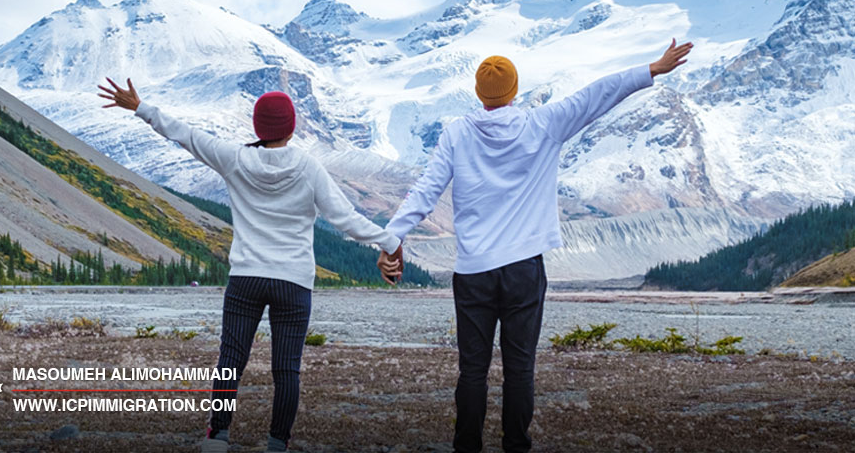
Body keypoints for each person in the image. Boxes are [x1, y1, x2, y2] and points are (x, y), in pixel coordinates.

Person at [384, 40, 693, 453]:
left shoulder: (457, 134)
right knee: (519, 368)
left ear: (479, 93)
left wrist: (392, 239)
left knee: (472, 370)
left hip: (473, 272)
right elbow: (597, 95)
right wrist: (651, 69)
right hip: (524, 271)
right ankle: (516, 446)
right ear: (514, 91)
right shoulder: (543, 123)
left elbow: (425, 191)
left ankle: (466, 447)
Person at [98, 80, 403, 453]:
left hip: (246, 278)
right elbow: (345, 218)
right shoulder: (309, 168)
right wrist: (390, 242)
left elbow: (186, 135)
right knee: (286, 369)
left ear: (258, 127)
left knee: (231, 359)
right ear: (292, 127)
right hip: (293, 281)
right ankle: (277, 443)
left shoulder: (234, 158)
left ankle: (218, 436)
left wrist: (140, 107)